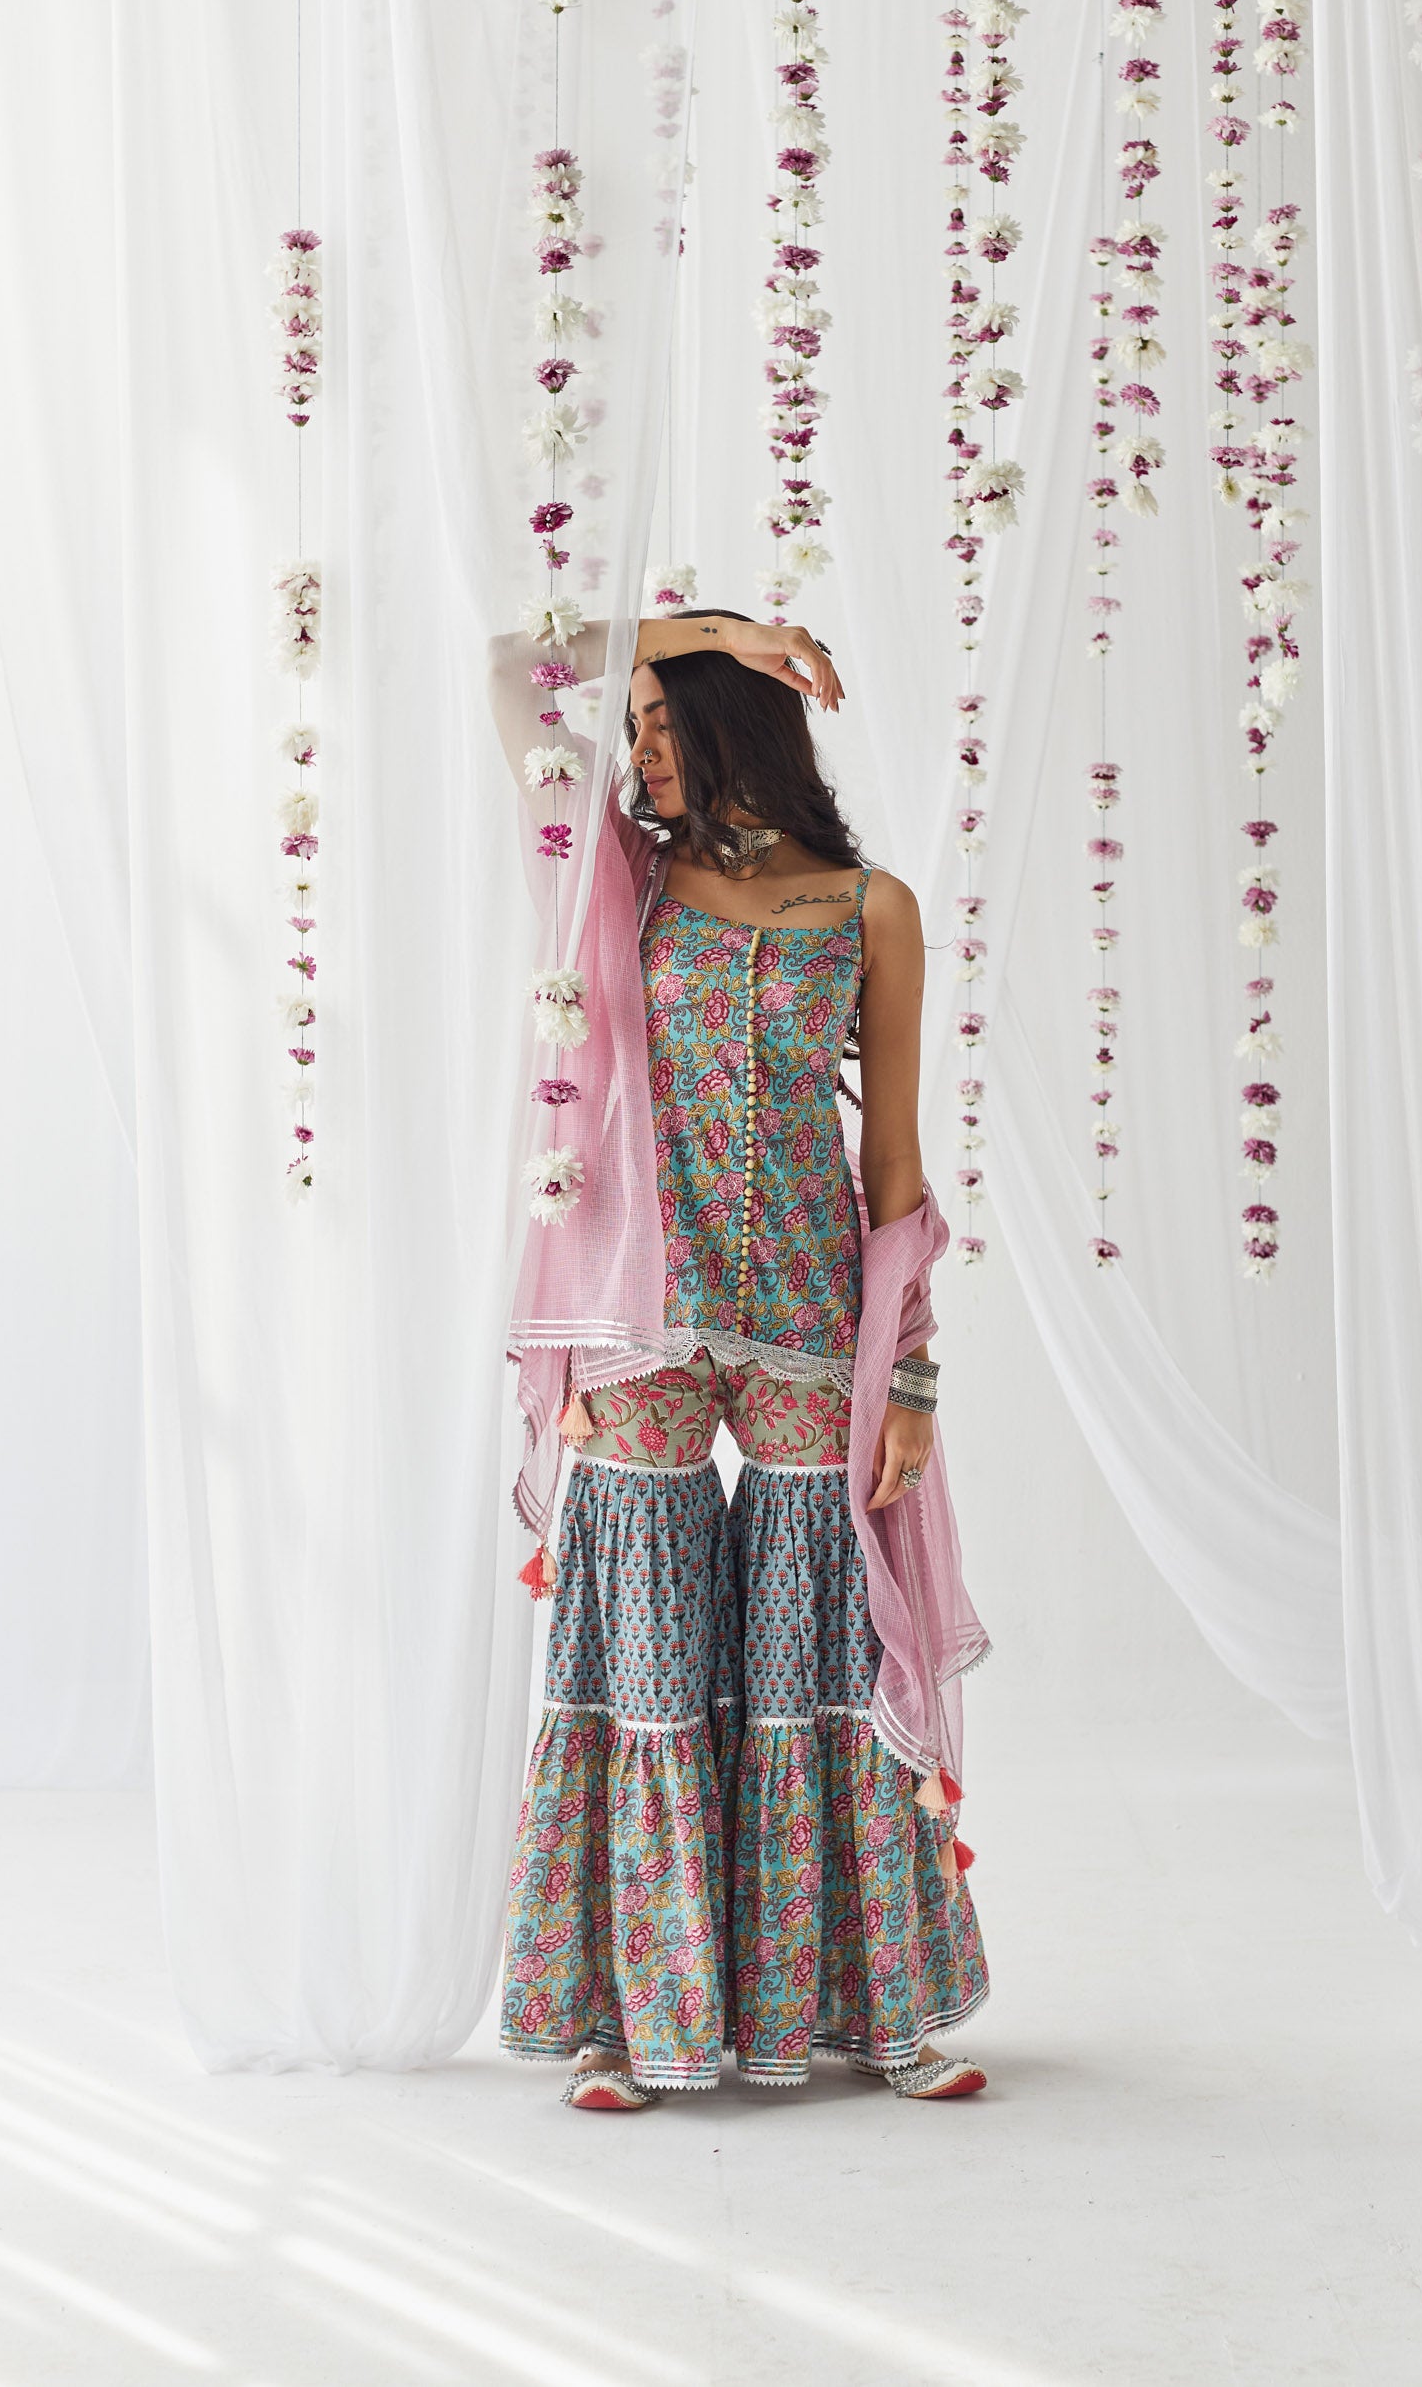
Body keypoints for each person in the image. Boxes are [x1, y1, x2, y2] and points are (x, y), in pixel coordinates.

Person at [486, 610, 990, 2109]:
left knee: (816, 1656)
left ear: (734, 730)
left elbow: (891, 1158)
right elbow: (512, 668)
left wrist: (910, 1373)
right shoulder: (619, 878)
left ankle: (869, 2013)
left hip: (811, 1318)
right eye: (635, 719)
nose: (637, 747)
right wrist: (711, 629)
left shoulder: (872, 908)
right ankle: (632, 2014)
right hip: (640, 1312)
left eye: (663, 719)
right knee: (643, 1656)